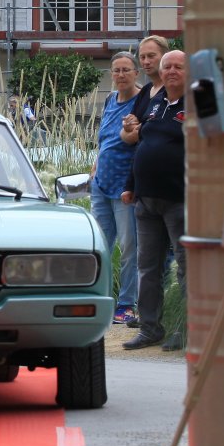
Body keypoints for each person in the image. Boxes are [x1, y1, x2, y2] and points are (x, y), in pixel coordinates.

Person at [122, 49, 189, 351]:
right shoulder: (156, 102)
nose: (171, 71)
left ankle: (186, 330)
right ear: (161, 74)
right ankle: (150, 329)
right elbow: (142, 145)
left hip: (179, 199)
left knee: (186, 268)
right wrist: (130, 185)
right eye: (167, 67)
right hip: (146, 199)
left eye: (178, 66)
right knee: (147, 267)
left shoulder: (196, 105)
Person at [90, 52, 142, 327]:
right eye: (116, 70)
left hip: (125, 187)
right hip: (101, 184)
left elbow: (136, 138)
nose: (121, 75)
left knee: (129, 246)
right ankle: (99, 298)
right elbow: (104, 140)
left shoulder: (142, 101)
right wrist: (96, 165)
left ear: (136, 73)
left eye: (126, 70)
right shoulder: (110, 100)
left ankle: (126, 304)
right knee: (101, 246)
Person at [120, 34, 170, 147]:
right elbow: (125, 132)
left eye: (151, 56)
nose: (146, 62)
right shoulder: (145, 90)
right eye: (142, 57)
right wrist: (128, 125)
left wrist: (138, 131)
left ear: (165, 56)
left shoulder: (171, 90)